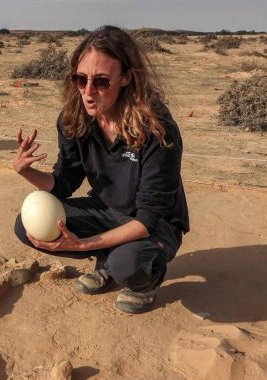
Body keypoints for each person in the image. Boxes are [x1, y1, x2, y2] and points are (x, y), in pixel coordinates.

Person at [13, 26, 189, 314]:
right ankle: (108, 258)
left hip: (156, 223)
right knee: (26, 226)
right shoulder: (74, 119)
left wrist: (82, 245)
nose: (88, 92)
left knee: (127, 265)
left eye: (102, 82)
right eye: (80, 80)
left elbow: (148, 217)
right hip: (107, 209)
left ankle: (147, 276)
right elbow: (64, 182)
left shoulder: (158, 131)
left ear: (127, 78)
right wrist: (26, 172)